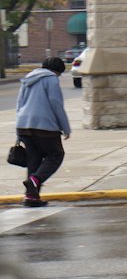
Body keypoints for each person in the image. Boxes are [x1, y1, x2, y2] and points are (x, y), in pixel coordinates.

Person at [14, 55, 71, 207]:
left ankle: (31, 197)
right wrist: (65, 127)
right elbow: (56, 104)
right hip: (44, 126)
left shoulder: (28, 78)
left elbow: (19, 103)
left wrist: (18, 130)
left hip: (24, 125)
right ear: (57, 71)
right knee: (56, 155)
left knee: (34, 159)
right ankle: (35, 180)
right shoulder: (51, 79)